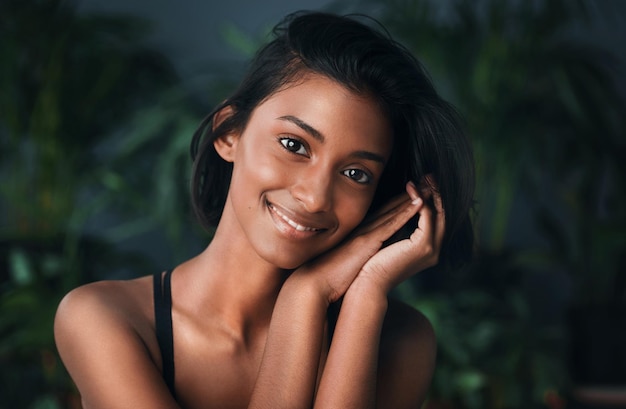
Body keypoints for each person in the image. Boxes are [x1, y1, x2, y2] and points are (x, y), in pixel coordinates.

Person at [54, 10, 474, 409]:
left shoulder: (399, 340)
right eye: (294, 145)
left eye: (355, 173)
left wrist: (356, 297)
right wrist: (303, 299)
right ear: (228, 133)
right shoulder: (105, 319)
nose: (314, 197)